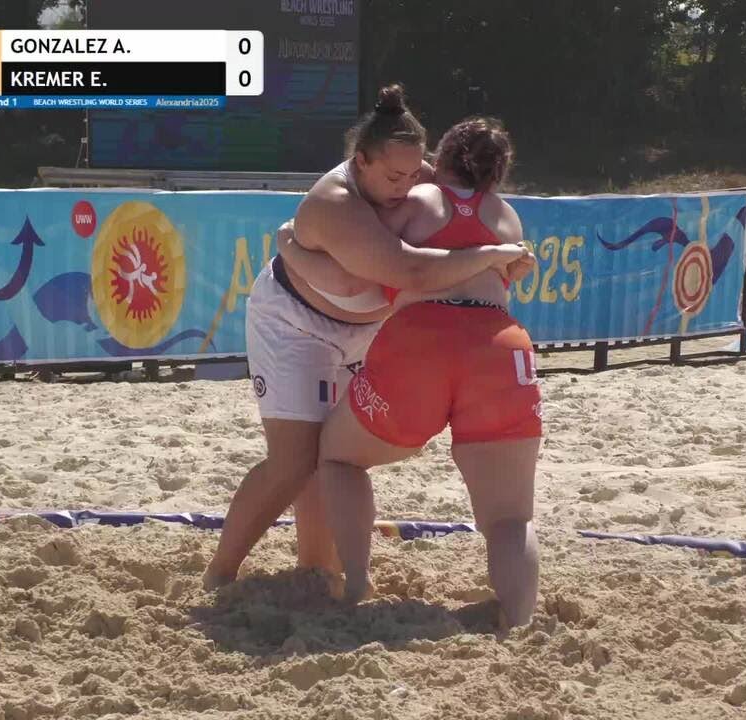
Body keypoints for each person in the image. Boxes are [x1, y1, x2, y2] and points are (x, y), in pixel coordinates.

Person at [202, 86, 532, 589]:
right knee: (295, 461)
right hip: (296, 320)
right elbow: (389, 274)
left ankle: (319, 571)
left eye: (416, 171)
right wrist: (491, 255)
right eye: (394, 176)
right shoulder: (335, 202)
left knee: (331, 451)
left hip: (370, 328)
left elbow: (438, 251)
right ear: (360, 162)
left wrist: (503, 260)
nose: (408, 184)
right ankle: (219, 573)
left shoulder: (417, 180)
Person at [285, 117, 542, 628]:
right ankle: (520, 622)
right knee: (511, 518)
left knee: (338, 459)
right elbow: (510, 274)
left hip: (421, 338)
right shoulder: (508, 219)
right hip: (499, 346)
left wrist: (290, 248)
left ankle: (357, 581)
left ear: (438, 160)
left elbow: (360, 270)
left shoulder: (415, 203)